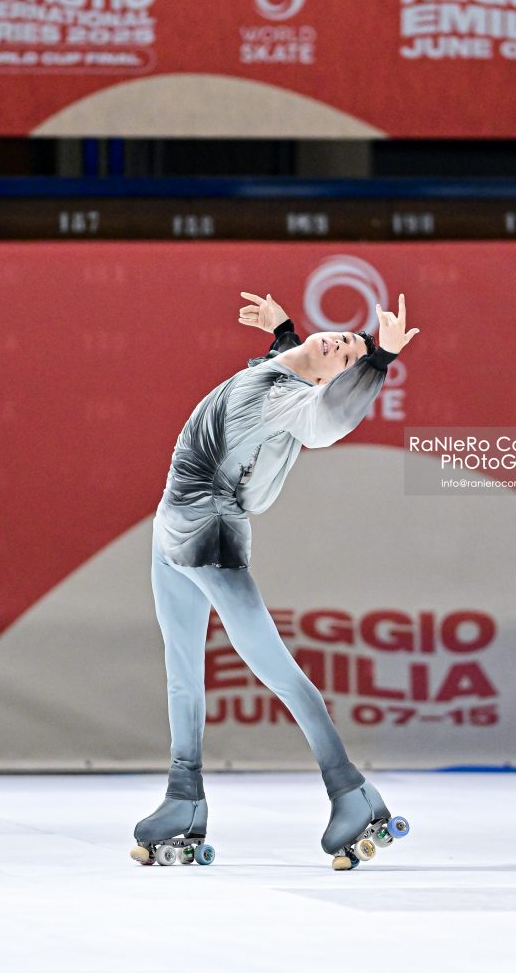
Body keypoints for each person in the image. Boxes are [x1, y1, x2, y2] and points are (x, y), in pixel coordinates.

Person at [131, 290, 419, 870]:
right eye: (343, 338)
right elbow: (281, 364)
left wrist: (379, 360)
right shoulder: (278, 370)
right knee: (181, 673)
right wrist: (284, 329)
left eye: (347, 357)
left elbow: (327, 419)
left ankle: (350, 791)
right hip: (169, 530)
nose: (339, 345)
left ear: (335, 379)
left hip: (208, 534)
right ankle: (183, 796)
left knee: (274, 667)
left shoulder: (292, 399)